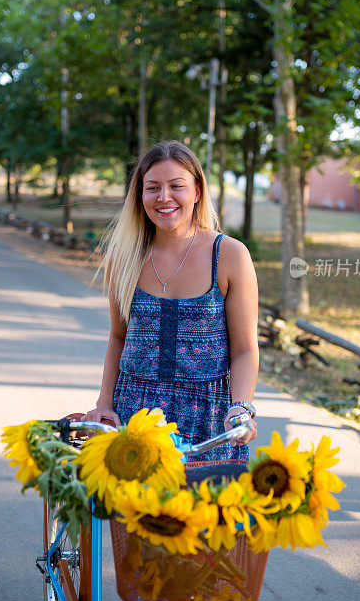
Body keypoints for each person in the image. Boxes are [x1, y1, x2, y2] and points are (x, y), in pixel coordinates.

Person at [84, 140, 258, 460]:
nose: (164, 197)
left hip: (209, 421)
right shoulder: (123, 257)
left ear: (197, 191)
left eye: (176, 186)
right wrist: (104, 405)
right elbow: (118, 337)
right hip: (133, 418)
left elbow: (245, 349)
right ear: (140, 195)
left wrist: (241, 407)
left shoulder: (230, 255)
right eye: (153, 188)